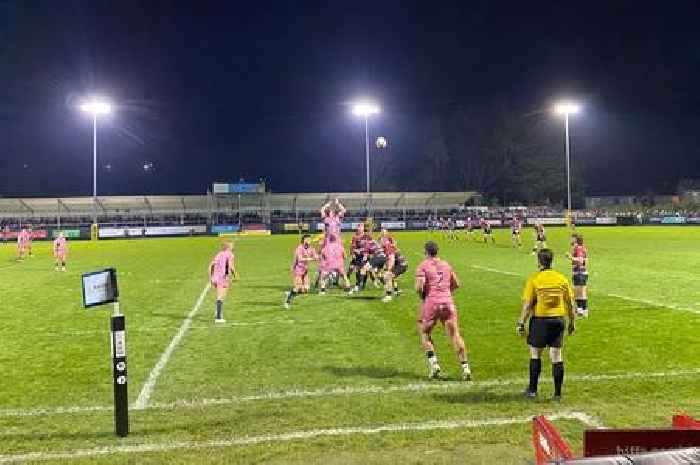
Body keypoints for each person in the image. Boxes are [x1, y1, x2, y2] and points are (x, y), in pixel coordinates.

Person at [517, 249, 575, 401]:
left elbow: (528, 304)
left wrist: (521, 322)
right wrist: (572, 322)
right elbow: (570, 303)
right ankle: (557, 394)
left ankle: (532, 390)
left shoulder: (535, 279)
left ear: (539, 261)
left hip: (540, 320)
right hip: (558, 320)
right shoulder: (561, 279)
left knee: (535, 354)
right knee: (556, 356)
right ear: (551, 261)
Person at [415, 241, 471, 381]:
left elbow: (419, 287)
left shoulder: (423, 266)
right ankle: (466, 368)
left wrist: (424, 296)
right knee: (455, 334)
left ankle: (434, 366)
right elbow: (457, 284)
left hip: (432, 302)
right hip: (447, 302)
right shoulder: (446, 264)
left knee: (424, 332)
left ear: (426, 252)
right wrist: (445, 292)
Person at [284, 234, 318, 309]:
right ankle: (287, 302)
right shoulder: (299, 248)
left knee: (306, 289)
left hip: (305, 271)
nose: (309, 241)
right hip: (298, 270)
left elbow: (315, 255)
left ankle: (290, 293)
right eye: (307, 239)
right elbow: (300, 259)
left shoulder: (311, 248)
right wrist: (311, 259)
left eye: (310, 239)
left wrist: (317, 257)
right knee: (298, 287)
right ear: (304, 240)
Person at [209, 242, 238, 323]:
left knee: (221, 296)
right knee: (221, 297)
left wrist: (211, 277)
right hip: (223, 278)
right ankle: (218, 317)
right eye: (232, 245)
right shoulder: (230, 254)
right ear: (228, 247)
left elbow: (211, 265)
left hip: (215, 277)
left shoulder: (219, 254)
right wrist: (235, 275)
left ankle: (217, 312)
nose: (233, 246)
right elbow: (231, 266)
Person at [566, 235, 589, 318]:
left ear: (576, 240)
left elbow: (580, 260)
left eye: (572, 239)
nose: (570, 240)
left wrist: (570, 257)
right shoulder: (582, 248)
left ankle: (583, 310)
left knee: (580, 292)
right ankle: (581, 310)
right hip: (582, 273)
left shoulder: (578, 248)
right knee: (579, 292)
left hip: (579, 273)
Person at [380, 228, 398, 303]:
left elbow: (395, 245)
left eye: (384, 232)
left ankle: (389, 295)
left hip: (391, 256)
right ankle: (396, 290)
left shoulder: (390, 238)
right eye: (382, 232)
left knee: (388, 275)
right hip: (386, 257)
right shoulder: (381, 239)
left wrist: (391, 245)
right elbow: (381, 248)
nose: (383, 233)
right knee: (388, 275)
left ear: (387, 232)